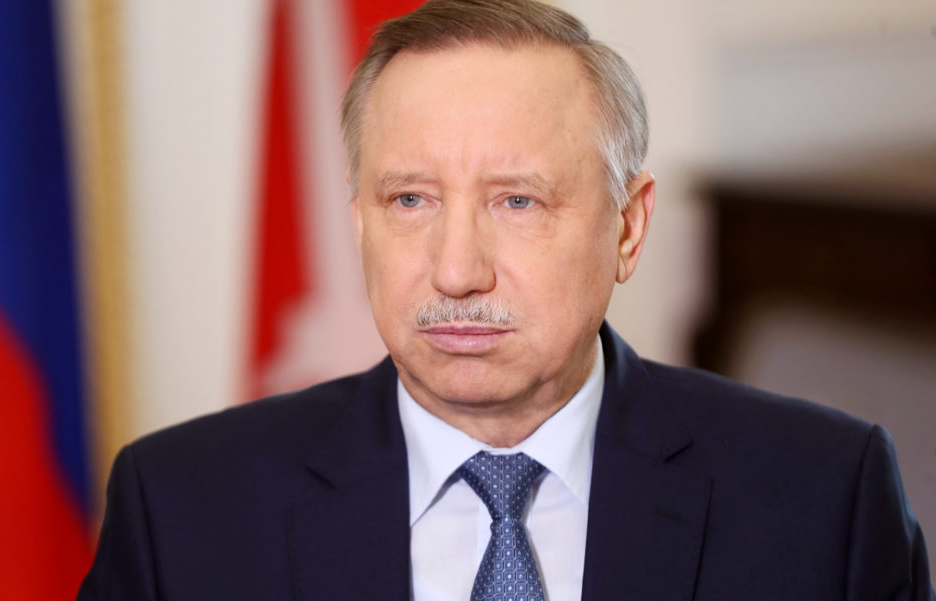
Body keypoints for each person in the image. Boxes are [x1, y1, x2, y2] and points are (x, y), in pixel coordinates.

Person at [78, 0, 934, 599]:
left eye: (517, 201)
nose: (456, 271)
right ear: (360, 222)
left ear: (628, 227)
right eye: (410, 199)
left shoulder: (825, 499)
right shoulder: (180, 510)